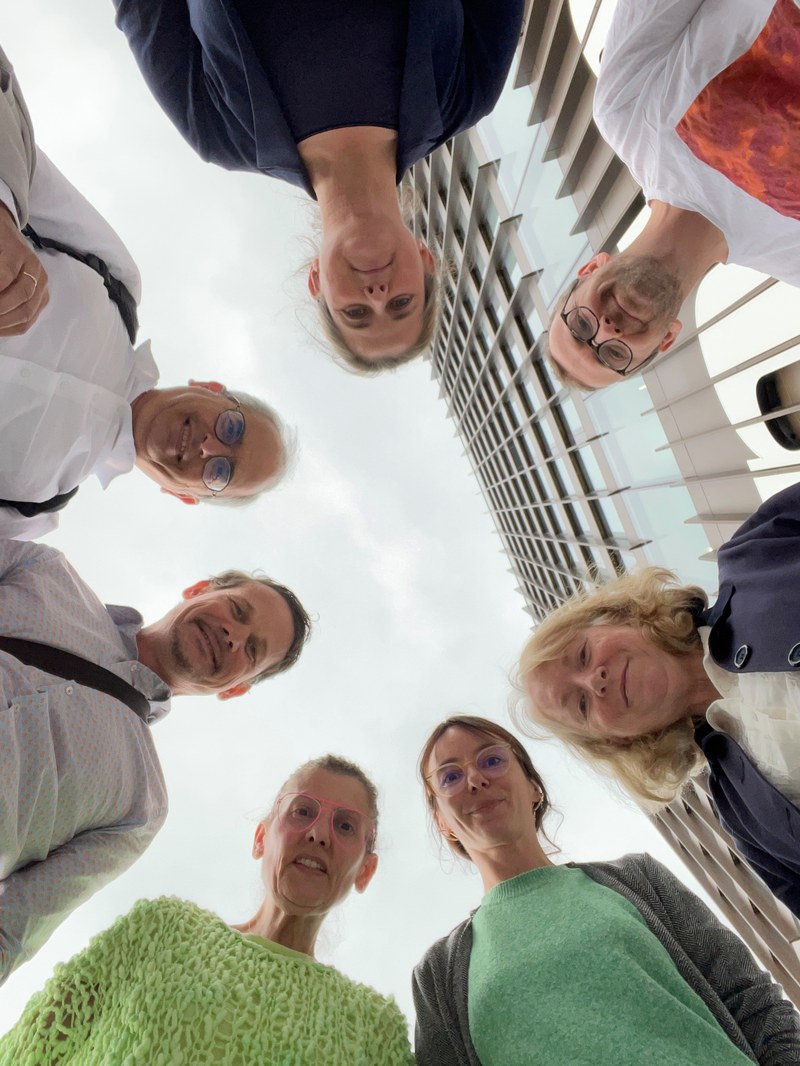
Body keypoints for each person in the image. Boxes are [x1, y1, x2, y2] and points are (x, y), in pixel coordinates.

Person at [111, 0, 525, 372]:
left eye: (356, 313)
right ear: (426, 261)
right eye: (401, 303)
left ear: (316, 282)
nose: (377, 295)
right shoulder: (469, 92)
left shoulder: (217, 133)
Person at [0, 43, 293, 540]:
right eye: (232, 429)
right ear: (212, 387)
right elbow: (14, 128)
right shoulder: (117, 281)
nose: (208, 448)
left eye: (220, 472)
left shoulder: (30, 513)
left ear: (185, 496)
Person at [0, 537, 310, 981]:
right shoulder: (44, 570)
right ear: (200, 589)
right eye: (237, 611)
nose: (233, 635)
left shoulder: (141, 807)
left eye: (252, 650)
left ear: (236, 689)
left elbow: (13, 929)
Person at [412, 714, 800, 1066]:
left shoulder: (638, 878)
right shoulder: (438, 975)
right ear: (442, 821)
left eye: (492, 760)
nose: (476, 780)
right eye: (450, 777)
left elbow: (752, 1001)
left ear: (533, 788)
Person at [0, 755, 414, 1065]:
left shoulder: (374, 1029)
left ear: (366, 870)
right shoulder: (162, 930)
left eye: (345, 826)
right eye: (302, 811)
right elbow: (35, 1046)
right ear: (261, 839)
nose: (319, 833)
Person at [520, 479, 800, 917]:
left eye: (583, 654)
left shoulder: (756, 555)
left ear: (617, 617)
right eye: (581, 705)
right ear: (616, 740)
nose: (595, 681)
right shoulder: (743, 817)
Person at [547, 0, 800, 389]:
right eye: (613, 355)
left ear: (589, 269)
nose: (606, 331)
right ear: (666, 340)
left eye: (581, 326)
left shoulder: (624, 112)